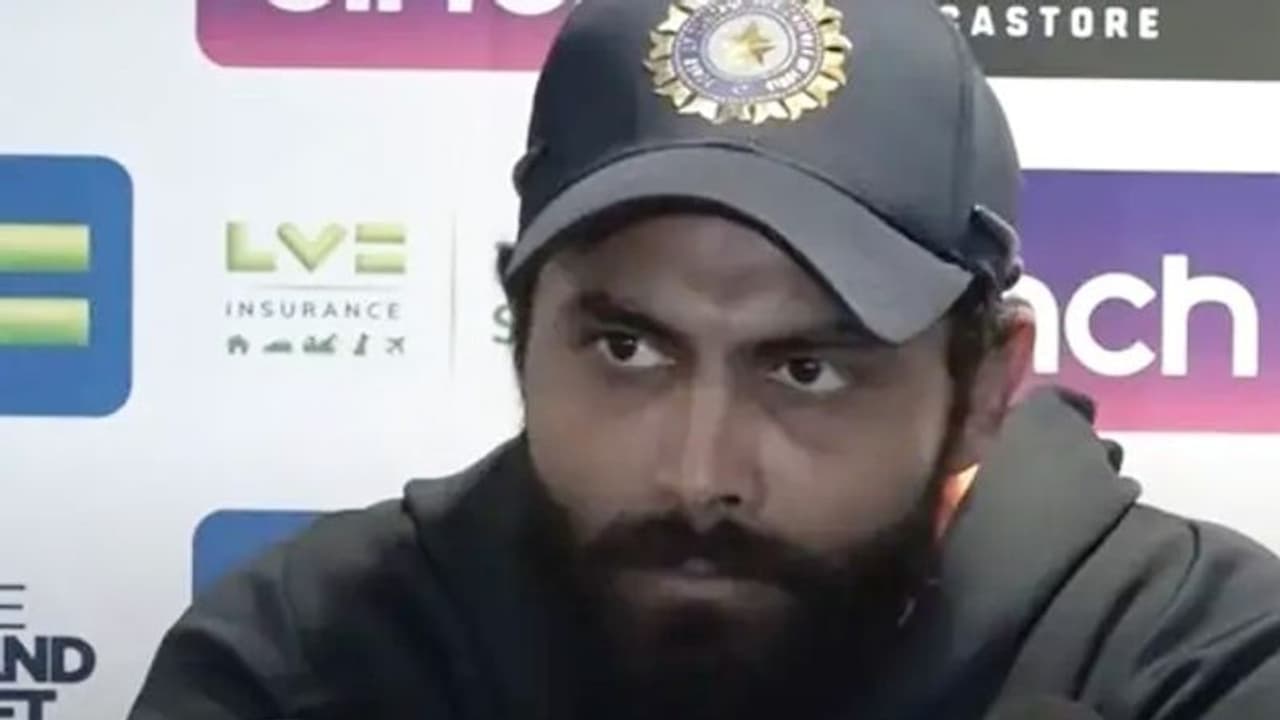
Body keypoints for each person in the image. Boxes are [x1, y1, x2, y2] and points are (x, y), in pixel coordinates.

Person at [128, 0, 1280, 717]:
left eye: (806, 369)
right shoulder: (309, 658)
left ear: (984, 385)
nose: (696, 473)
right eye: (626, 348)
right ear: (520, 328)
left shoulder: (1195, 664)